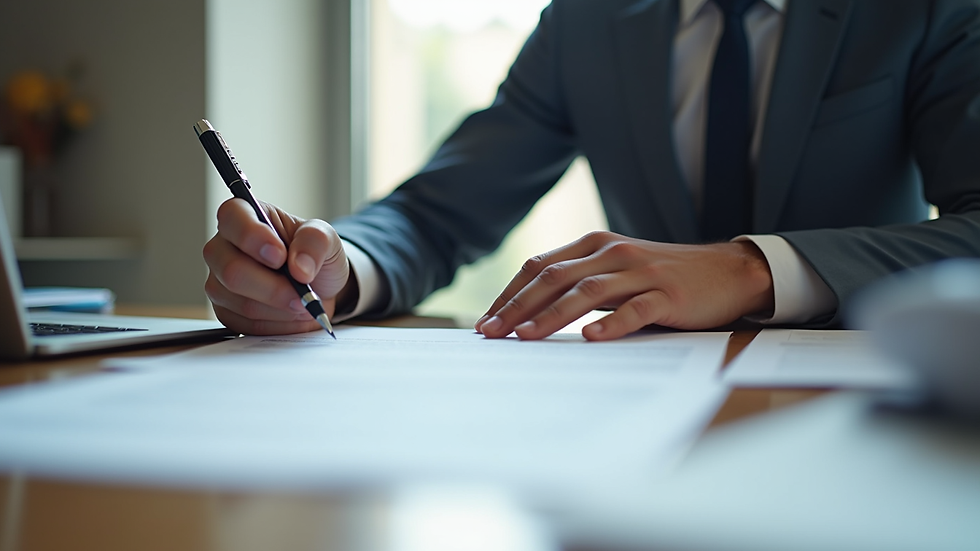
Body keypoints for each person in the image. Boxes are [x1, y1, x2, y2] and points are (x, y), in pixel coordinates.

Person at [203, 0, 980, 341]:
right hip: (634, 411)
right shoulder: (586, 21)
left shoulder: (927, 7)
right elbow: (436, 214)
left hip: (854, 401)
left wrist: (751, 269)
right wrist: (338, 269)